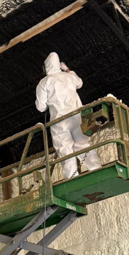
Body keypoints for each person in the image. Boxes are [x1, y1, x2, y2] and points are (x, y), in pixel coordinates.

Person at [35, 52, 102, 180]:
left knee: (65, 147)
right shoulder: (69, 76)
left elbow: (40, 107)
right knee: (82, 144)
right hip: (76, 117)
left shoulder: (44, 82)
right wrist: (66, 69)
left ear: (46, 67)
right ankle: (96, 168)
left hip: (59, 120)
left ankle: (72, 176)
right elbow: (80, 83)